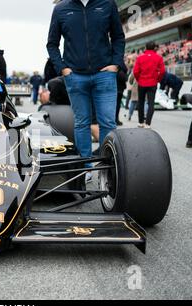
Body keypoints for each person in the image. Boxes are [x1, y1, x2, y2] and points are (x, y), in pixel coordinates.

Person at [47, 0, 126, 180]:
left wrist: (115, 64)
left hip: (105, 74)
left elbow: (118, 36)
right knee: (82, 122)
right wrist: (63, 69)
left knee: (108, 122)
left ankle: (106, 166)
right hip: (75, 76)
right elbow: (52, 44)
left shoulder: (107, 4)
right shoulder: (60, 9)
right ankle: (86, 166)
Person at [133, 41, 165, 129]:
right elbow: (162, 71)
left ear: (146, 47)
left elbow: (135, 71)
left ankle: (140, 122)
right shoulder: (158, 58)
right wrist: (157, 79)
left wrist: (139, 79)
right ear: (154, 47)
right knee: (151, 103)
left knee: (141, 102)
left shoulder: (140, 58)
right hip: (152, 83)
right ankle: (148, 123)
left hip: (142, 82)